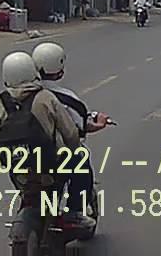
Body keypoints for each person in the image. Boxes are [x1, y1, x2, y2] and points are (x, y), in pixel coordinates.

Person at [0, 51, 96, 230]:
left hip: (16, 163)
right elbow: (70, 133)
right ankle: (74, 212)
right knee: (81, 159)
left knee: (23, 184)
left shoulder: (1, 101)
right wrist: (75, 149)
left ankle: (28, 203)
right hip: (49, 162)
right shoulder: (46, 97)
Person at [33, 42, 111, 226]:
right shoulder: (64, 98)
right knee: (81, 160)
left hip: (22, 156)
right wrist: (99, 124)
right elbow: (78, 129)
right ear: (60, 68)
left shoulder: (15, 96)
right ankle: (75, 210)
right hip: (53, 156)